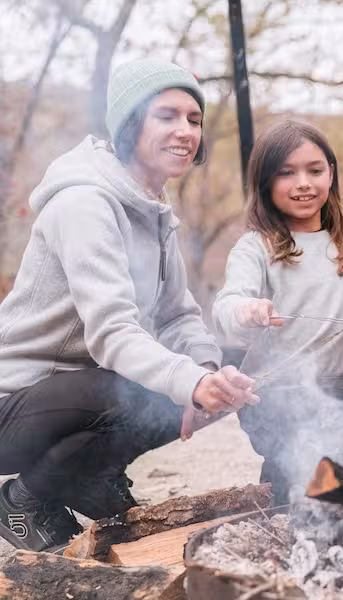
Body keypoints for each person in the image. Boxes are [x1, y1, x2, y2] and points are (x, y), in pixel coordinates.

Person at [0, 58, 258, 552]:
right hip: (13, 404)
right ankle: (23, 499)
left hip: (76, 395)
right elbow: (113, 332)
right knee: (145, 385)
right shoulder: (85, 204)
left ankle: (86, 475)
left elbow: (178, 316)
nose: (186, 131)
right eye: (167, 115)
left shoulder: (155, 211)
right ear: (130, 122)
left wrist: (207, 371)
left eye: (194, 119)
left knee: (225, 373)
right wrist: (190, 384)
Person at [212, 120, 343, 506]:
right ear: (265, 182)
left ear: (331, 174)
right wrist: (246, 309)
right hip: (277, 397)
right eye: (287, 173)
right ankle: (278, 509)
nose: (303, 182)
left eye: (314, 170)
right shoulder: (256, 247)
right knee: (299, 479)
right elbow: (226, 305)